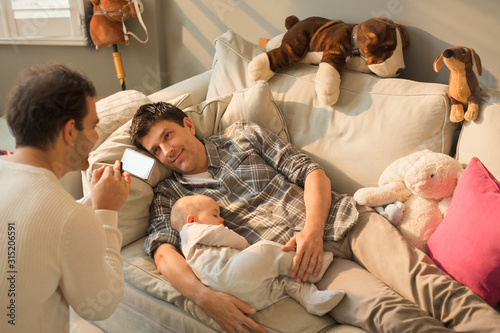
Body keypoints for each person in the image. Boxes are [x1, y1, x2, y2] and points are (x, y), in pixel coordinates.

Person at [130, 101, 500, 333]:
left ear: (188, 126)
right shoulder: (171, 195)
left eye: (168, 135)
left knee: (435, 290)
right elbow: (162, 251)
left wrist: (312, 228)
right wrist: (204, 297)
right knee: (392, 317)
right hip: (311, 266)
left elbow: (311, 173)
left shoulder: (241, 136)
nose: (167, 151)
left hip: (345, 222)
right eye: (156, 150)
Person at [0, 64, 130, 332]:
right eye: (93, 126)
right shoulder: (70, 218)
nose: (96, 138)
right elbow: (99, 305)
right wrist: (106, 211)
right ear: (70, 132)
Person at [170, 194, 345, 316]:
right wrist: (245, 245)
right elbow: (221, 235)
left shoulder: (190, 247)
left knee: (283, 283)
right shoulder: (189, 231)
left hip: (239, 293)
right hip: (228, 274)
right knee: (265, 250)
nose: (221, 220)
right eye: (215, 215)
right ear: (191, 219)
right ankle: (311, 266)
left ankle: (313, 301)